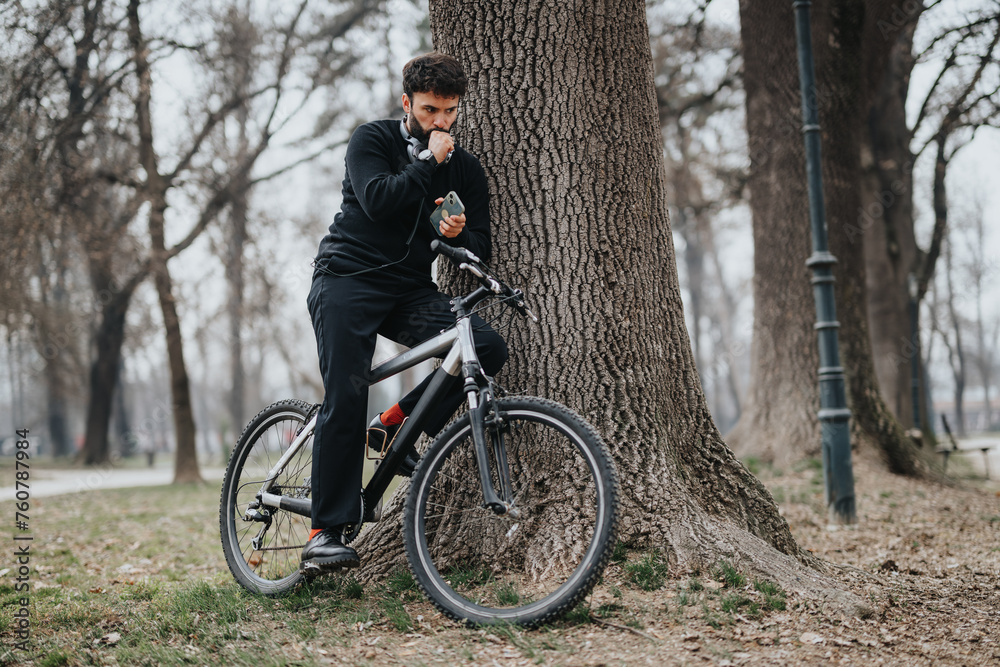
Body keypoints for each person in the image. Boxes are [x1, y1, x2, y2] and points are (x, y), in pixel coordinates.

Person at [301, 52, 508, 576]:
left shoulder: (464, 166)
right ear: (407, 103)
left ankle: (397, 428)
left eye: (450, 111)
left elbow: (479, 237)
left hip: (410, 289)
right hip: (345, 280)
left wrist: (461, 237)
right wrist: (427, 164)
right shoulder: (371, 140)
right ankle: (326, 531)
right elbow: (379, 200)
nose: (442, 122)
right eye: (431, 110)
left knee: (485, 345)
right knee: (347, 391)